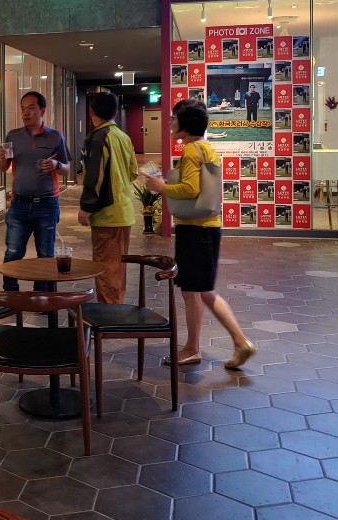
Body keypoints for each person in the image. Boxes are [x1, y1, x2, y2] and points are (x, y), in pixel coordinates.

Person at [144, 98, 255, 370]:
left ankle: (201, 347)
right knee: (200, 291)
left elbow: (190, 189)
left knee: (195, 292)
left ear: (185, 124)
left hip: (194, 230)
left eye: (174, 118)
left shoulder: (192, 150)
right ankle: (232, 343)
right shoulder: (206, 148)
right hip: (207, 228)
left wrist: (162, 186)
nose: (170, 122)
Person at [0, 91, 70, 292]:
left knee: (45, 254)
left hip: (47, 204)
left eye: (31, 108)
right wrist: (2, 158)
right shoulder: (13, 136)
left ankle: (42, 296)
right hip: (19, 205)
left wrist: (56, 164)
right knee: (13, 252)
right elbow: (3, 168)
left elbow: (67, 169)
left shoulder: (55, 137)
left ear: (42, 110)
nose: (25, 113)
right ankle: (10, 295)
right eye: (23, 109)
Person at [78, 92, 138, 304]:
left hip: (107, 214)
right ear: (115, 113)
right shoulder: (123, 137)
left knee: (105, 269)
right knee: (117, 268)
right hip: (124, 212)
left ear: (91, 111)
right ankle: (116, 309)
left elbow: (94, 177)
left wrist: (86, 208)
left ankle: (109, 315)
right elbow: (133, 173)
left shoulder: (98, 138)